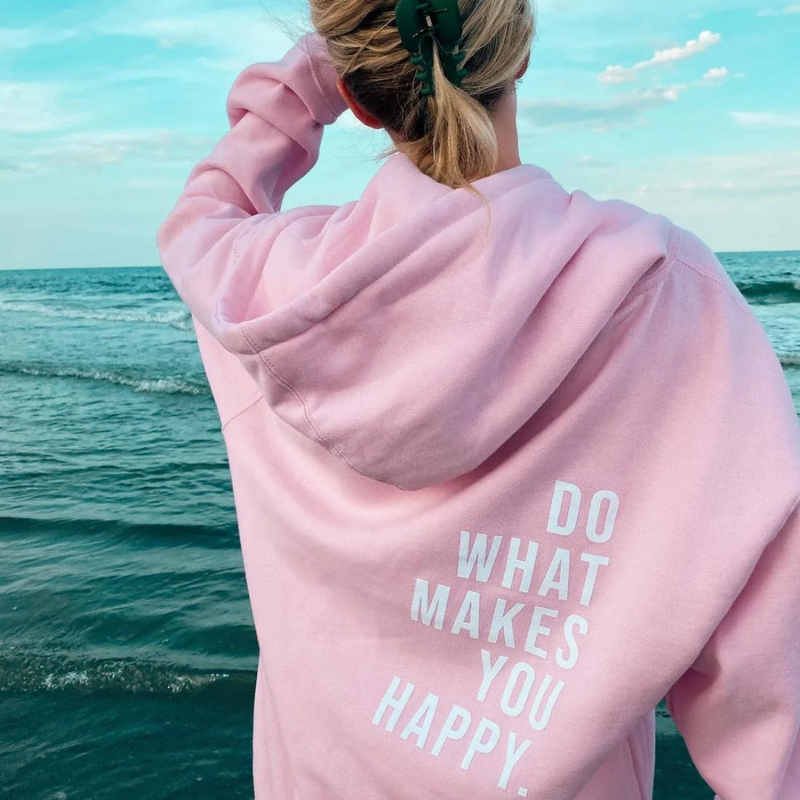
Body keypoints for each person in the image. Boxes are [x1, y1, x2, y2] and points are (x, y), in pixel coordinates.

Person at [155, 1, 800, 798]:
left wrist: (308, 86)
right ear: (519, 55)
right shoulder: (668, 294)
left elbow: (202, 214)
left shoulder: (262, 298)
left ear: (358, 98)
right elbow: (766, 685)